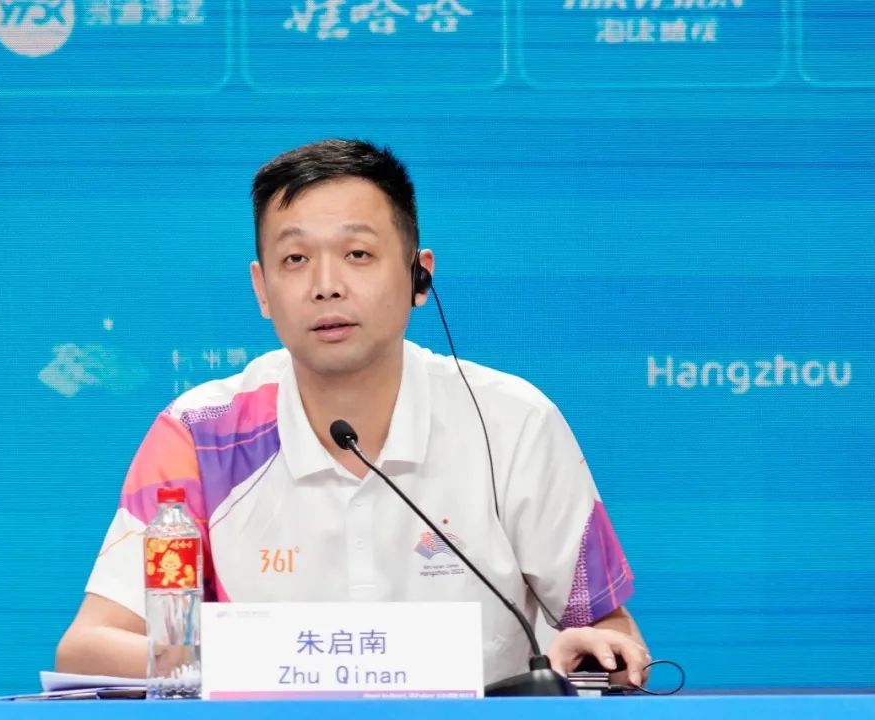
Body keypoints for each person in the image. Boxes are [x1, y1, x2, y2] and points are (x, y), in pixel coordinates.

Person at [56, 139, 650, 687]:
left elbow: (610, 634)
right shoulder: (200, 435)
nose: (326, 286)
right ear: (261, 289)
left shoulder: (513, 423)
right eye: (295, 259)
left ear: (419, 276)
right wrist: (292, 660)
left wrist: (603, 654)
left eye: (358, 253)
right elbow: (87, 648)